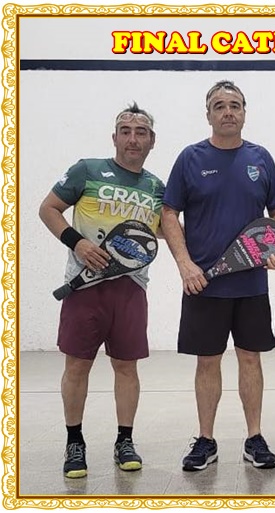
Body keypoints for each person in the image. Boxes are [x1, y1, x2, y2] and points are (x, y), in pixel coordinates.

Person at [161, 80, 275, 472]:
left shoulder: (261, 158)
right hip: (204, 284)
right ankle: (206, 440)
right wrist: (185, 264)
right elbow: (169, 213)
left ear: (245, 112)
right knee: (207, 361)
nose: (228, 111)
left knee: (250, 359)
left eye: (235, 105)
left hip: (250, 284)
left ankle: (255, 438)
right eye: (219, 105)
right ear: (209, 114)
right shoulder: (190, 158)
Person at [39, 103, 165, 478]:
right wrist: (77, 243)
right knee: (77, 366)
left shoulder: (156, 188)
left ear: (152, 141)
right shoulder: (87, 170)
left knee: (126, 367)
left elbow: (162, 231)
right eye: (125, 131)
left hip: (131, 289)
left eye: (141, 132)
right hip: (84, 288)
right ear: (114, 137)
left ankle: (124, 440)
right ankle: (74, 441)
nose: (132, 138)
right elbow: (48, 209)